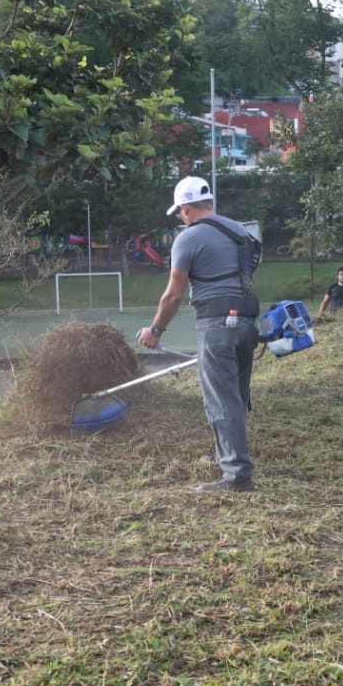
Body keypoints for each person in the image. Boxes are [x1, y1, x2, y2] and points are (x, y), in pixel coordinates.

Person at [138, 176, 260, 494]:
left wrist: (155, 331)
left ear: (188, 208)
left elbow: (173, 295)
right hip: (248, 319)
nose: (181, 216)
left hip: (217, 323)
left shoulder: (188, 238)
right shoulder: (239, 230)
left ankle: (237, 476)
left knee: (221, 401)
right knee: (234, 395)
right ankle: (228, 456)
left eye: (181, 211)